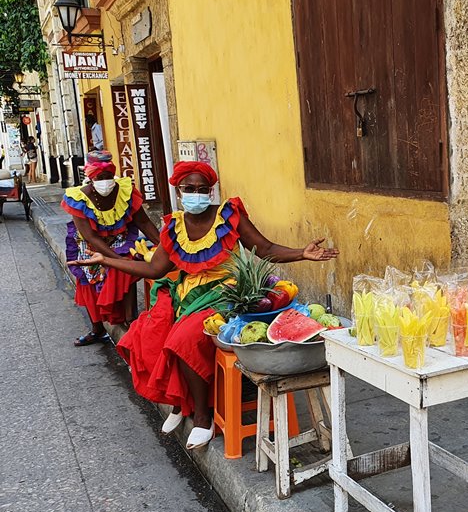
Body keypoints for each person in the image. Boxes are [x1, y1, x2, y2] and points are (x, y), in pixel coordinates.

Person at [68, 161, 339, 449]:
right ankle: (179, 402)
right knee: (147, 333)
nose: (196, 194)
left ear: (210, 191)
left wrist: (302, 253)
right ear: (179, 191)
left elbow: (266, 249)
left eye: (202, 189)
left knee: (183, 338)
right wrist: (106, 260)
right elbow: (156, 270)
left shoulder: (229, 215)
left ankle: (202, 416)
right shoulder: (173, 226)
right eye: (189, 189)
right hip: (187, 294)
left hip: (227, 294)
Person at [62, 150, 161, 346]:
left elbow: (144, 222)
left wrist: (165, 245)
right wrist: (113, 258)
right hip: (90, 244)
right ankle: (97, 329)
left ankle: (129, 319)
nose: (105, 182)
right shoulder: (78, 198)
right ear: (91, 178)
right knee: (88, 280)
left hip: (120, 239)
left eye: (108, 177)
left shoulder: (126, 192)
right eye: (100, 178)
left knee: (127, 270)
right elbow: (89, 235)